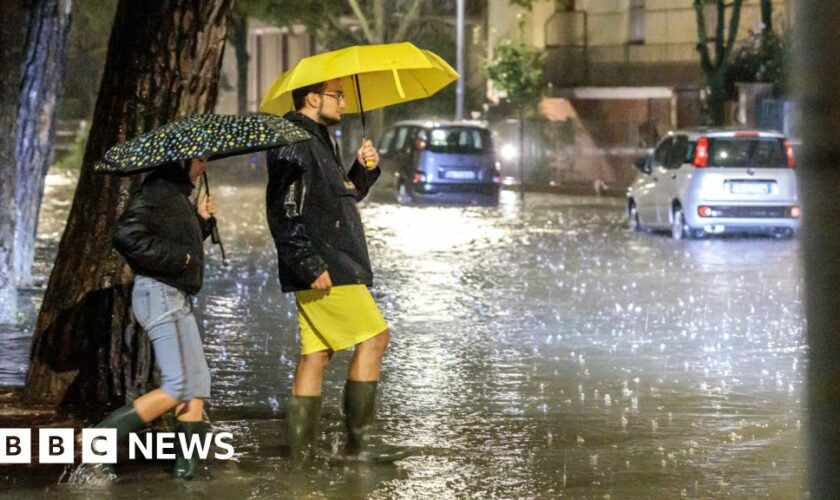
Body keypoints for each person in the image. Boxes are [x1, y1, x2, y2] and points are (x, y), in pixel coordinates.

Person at [266, 78, 414, 463]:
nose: (344, 103)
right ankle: (360, 444)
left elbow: (337, 200)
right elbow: (285, 208)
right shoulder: (296, 140)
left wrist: (363, 171)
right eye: (337, 96)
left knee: (316, 354)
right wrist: (308, 262)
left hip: (325, 259)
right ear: (313, 98)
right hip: (326, 263)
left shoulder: (316, 139)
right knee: (376, 338)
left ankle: (301, 455)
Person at [75, 158, 216, 482]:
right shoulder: (157, 191)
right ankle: (98, 441)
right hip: (160, 296)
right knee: (180, 385)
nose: (204, 166)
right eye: (200, 160)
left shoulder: (175, 194)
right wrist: (177, 257)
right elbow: (125, 234)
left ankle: (185, 477)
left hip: (175, 296)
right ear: (181, 162)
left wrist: (202, 222)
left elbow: (176, 239)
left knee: (196, 383)